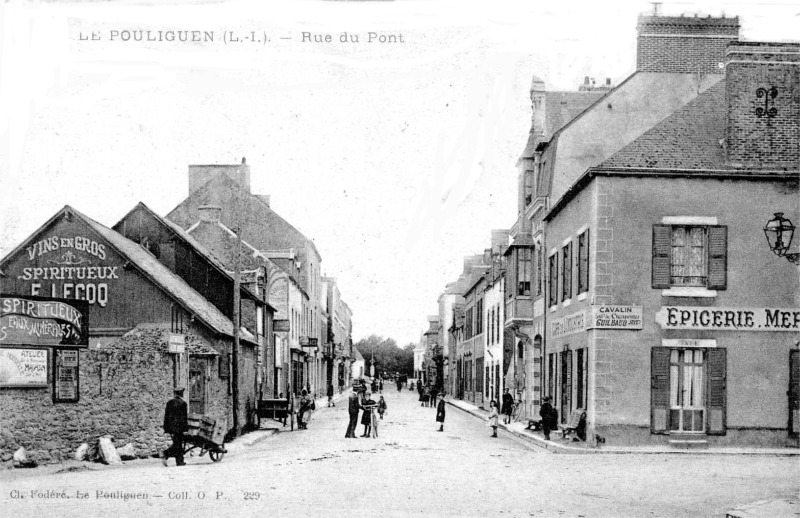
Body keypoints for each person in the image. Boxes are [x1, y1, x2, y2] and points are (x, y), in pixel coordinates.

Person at [162, 387, 188, 466]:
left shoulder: (169, 402)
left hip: (170, 427)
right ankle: (165, 454)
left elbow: (166, 416)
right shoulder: (183, 403)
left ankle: (180, 461)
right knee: (178, 444)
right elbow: (184, 418)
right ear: (181, 394)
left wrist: (166, 427)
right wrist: (185, 429)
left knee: (177, 444)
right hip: (179, 428)